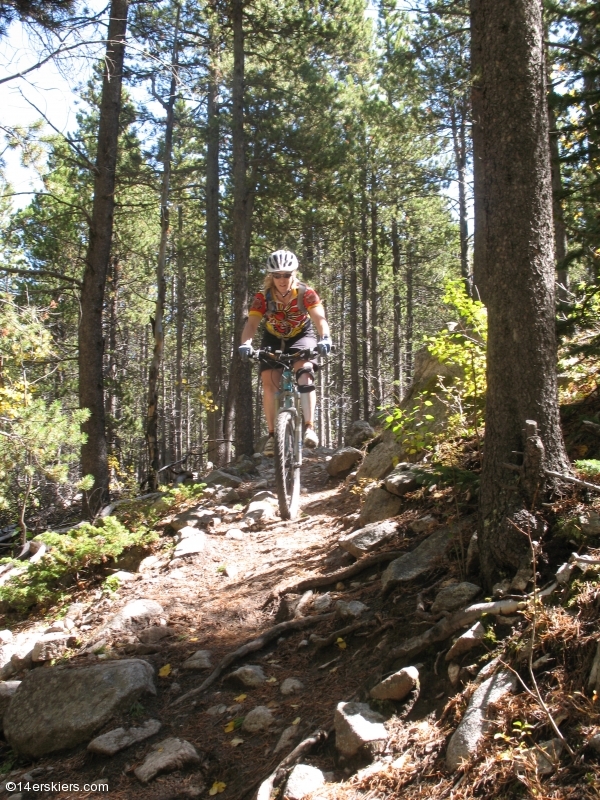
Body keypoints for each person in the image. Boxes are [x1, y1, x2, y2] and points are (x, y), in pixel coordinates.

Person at [238, 250, 331, 456]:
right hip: (274, 338)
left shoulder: (306, 293)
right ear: (270, 276)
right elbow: (252, 324)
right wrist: (246, 343)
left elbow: (319, 318)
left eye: (286, 275)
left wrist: (325, 337)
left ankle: (309, 427)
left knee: (304, 373)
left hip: (301, 336)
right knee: (268, 381)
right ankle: (272, 436)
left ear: (294, 273)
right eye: (277, 275)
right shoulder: (262, 298)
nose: (281, 279)